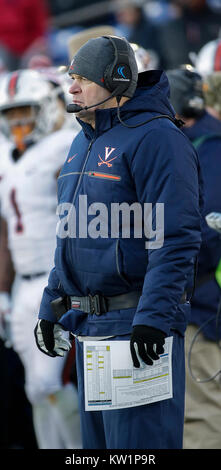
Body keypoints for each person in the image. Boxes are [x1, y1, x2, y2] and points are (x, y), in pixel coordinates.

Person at [34, 35, 202, 449]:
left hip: (135, 328)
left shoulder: (158, 137)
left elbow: (175, 237)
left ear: (118, 81)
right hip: (91, 333)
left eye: (83, 79)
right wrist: (51, 305)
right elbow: (73, 233)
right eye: (71, 78)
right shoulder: (82, 140)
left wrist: (154, 317)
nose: (71, 88)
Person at [0, 69, 82, 449]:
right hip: (22, 287)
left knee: (52, 382)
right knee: (35, 389)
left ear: (46, 107)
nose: (18, 122)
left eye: (25, 111)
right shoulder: (11, 160)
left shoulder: (62, 145)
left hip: (55, 281)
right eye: (10, 114)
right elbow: (5, 232)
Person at [167, 66, 221, 449]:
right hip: (201, 301)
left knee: (200, 415)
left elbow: (204, 234)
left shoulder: (204, 148)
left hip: (201, 306)